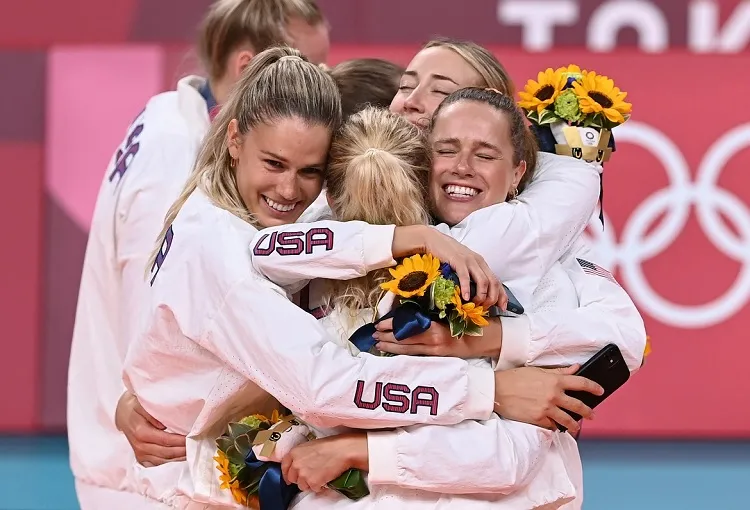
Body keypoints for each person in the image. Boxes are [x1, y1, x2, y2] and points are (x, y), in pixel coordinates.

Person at [122, 46, 600, 509]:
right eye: (407, 86)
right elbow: (321, 384)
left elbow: (607, 336)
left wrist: (501, 338)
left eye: (444, 95)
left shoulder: (520, 249)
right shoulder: (295, 229)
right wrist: (490, 391)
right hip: (214, 481)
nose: (288, 187)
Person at [66, 1, 329, 507]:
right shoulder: (177, 157)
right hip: (149, 463)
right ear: (250, 67)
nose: (321, 81)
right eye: (308, 64)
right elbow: (156, 322)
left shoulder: (172, 114)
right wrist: (133, 405)